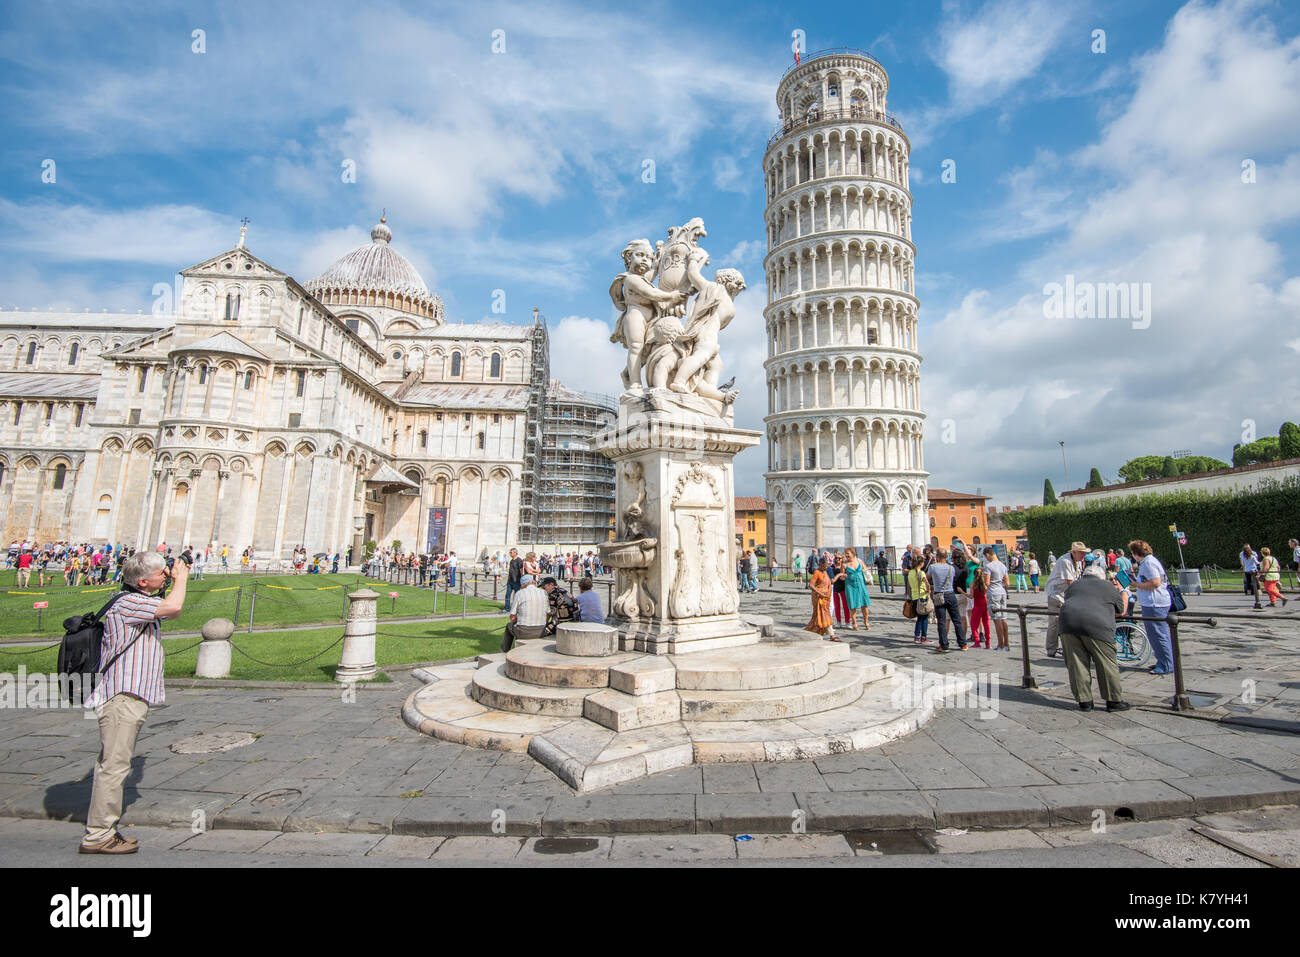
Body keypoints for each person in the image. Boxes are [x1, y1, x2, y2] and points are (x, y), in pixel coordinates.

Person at [79, 550, 190, 854]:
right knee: (113, 766)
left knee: (117, 763)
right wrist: (182, 579)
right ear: (143, 581)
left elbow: (167, 607)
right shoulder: (130, 604)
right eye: (160, 574)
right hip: (121, 697)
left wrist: (172, 578)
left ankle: (105, 828)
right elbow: (174, 607)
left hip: (130, 696)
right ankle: (98, 835)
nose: (165, 576)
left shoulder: (138, 601)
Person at [1058, 560, 1130, 712]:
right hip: (1097, 626)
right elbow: (1121, 610)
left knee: (1076, 663)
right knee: (1106, 663)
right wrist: (1123, 592)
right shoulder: (1108, 586)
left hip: (1068, 624)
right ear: (1101, 576)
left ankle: (1084, 701)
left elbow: (1071, 600)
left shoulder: (1074, 585)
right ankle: (1113, 700)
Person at [1128, 539, 1173, 675]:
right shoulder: (1148, 562)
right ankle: (1163, 660)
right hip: (1153, 602)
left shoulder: (1148, 563)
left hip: (1155, 603)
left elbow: (1155, 583)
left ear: (1136, 553)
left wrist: (1136, 585)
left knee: (1158, 635)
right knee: (1157, 634)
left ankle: (1166, 664)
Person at [1044, 542, 1088, 657]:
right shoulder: (1065, 561)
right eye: (1081, 553)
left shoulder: (1077, 562)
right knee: (1055, 622)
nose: (1084, 555)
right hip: (1056, 595)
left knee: (1067, 622)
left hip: (1065, 595)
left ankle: (1067, 647)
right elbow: (1070, 582)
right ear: (1073, 552)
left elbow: (1077, 579)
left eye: (1084, 553)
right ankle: (1051, 649)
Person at [926, 547, 968, 652]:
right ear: (946, 557)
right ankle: (963, 644)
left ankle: (944, 645)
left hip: (939, 595)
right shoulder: (951, 568)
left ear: (937, 556)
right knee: (957, 619)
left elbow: (927, 577)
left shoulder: (933, 567)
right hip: (950, 594)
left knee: (942, 621)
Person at [502, 574, 548, 652]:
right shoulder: (544, 593)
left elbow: (512, 616)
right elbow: (548, 613)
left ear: (523, 585)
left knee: (509, 626)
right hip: (541, 630)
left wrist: (517, 620)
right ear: (533, 582)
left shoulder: (520, 593)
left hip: (524, 631)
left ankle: (505, 651)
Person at [803, 555, 839, 642]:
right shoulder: (817, 572)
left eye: (827, 565)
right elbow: (811, 585)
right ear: (820, 565)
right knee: (824, 615)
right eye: (825, 566)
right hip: (819, 598)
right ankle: (832, 635)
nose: (826, 567)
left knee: (818, 617)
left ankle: (811, 632)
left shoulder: (825, 572)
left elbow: (830, 582)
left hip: (825, 598)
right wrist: (820, 593)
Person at [982, 547, 1010, 650]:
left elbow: (987, 583)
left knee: (996, 619)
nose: (986, 558)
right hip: (1002, 592)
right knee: (1003, 618)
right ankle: (1006, 643)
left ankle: (1000, 644)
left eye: (986, 556)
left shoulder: (988, 566)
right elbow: (1007, 583)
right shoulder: (1003, 565)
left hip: (993, 593)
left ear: (988, 554)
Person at [844, 547, 871, 631]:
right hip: (850, 587)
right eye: (846, 553)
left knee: (865, 604)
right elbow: (842, 575)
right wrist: (842, 576)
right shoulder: (844, 564)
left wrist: (869, 577)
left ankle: (866, 622)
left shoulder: (859, 561)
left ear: (853, 553)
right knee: (853, 606)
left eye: (848, 553)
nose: (846, 555)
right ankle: (854, 623)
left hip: (861, 585)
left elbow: (866, 570)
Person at [906, 557, 931, 643]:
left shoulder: (910, 573)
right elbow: (927, 584)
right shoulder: (921, 573)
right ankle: (923, 637)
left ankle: (917, 636)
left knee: (919, 617)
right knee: (924, 618)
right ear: (921, 563)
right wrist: (928, 590)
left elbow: (908, 586)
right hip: (922, 597)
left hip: (914, 597)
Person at [969, 560, 991, 648]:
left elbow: (971, 596)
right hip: (985, 605)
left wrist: (962, 592)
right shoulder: (985, 584)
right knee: (986, 624)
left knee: (973, 625)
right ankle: (988, 643)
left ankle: (977, 641)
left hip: (977, 606)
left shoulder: (973, 584)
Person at [1240, 544, 1261, 610]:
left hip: (1247, 570)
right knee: (1256, 581)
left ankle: (1249, 590)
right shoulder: (1253, 556)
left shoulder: (1243, 557)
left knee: (1248, 581)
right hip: (1253, 570)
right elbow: (1257, 563)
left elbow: (1243, 564)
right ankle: (1257, 591)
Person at [830, 554, 849, 627]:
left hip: (843, 587)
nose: (837, 559)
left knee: (845, 605)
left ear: (842, 559)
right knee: (836, 606)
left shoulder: (844, 566)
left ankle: (847, 622)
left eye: (839, 558)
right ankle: (838, 621)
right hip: (835, 587)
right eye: (836, 558)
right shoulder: (832, 567)